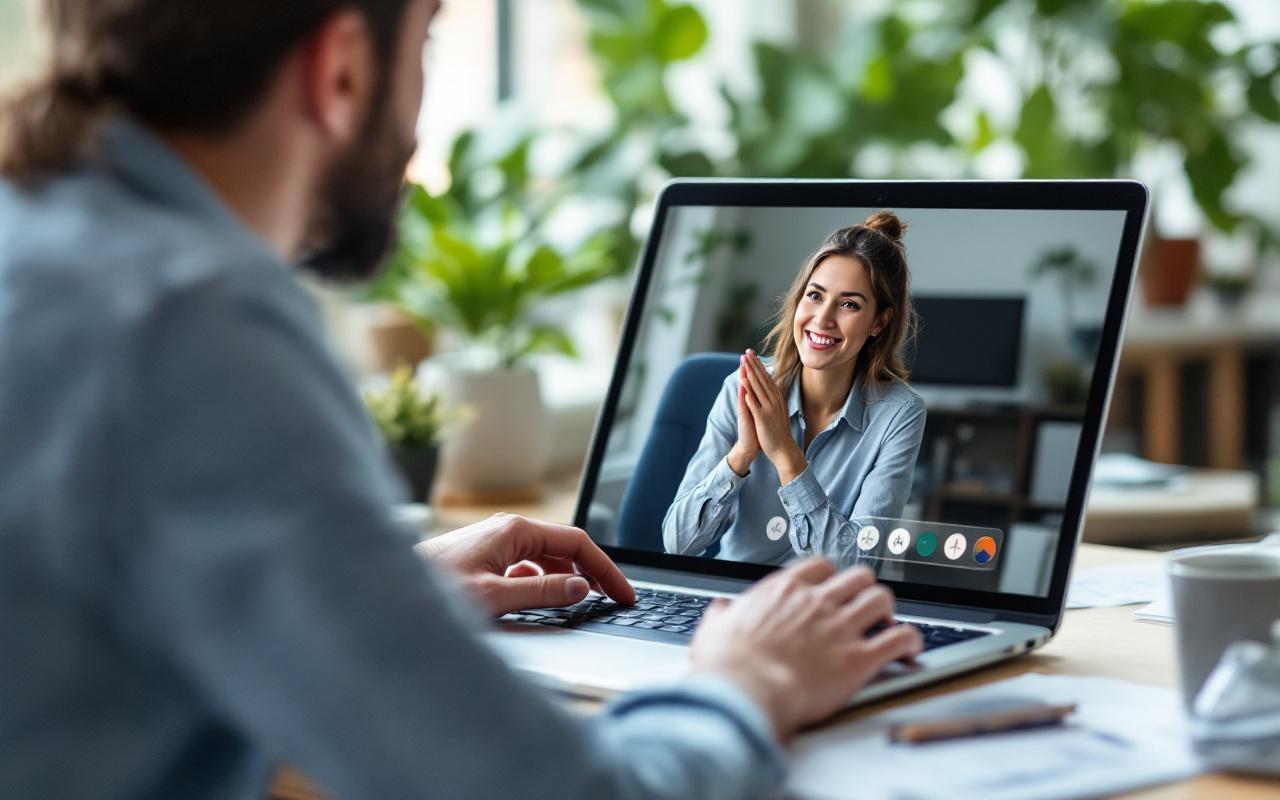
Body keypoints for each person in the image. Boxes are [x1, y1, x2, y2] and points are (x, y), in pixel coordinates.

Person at [0, 2, 923, 798]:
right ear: (345, 67)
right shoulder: (192, 323)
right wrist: (749, 682)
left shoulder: (43, 247)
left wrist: (379, 586)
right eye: (430, 40)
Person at [664, 213, 927, 567]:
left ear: (879, 322)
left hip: (822, 609)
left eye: (849, 304)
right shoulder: (739, 389)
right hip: (737, 600)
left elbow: (856, 566)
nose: (822, 318)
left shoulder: (899, 414)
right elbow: (678, 544)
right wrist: (743, 453)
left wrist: (787, 456)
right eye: (815, 296)